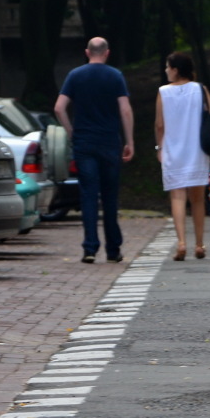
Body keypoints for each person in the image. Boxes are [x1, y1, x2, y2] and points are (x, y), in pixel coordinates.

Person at [55, 37, 135, 263]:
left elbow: (59, 108)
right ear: (107, 53)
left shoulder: (75, 75)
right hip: (109, 142)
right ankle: (113, 249)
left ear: (87, 52)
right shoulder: (115, 76)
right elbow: (125, 110)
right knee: (110, 196)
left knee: (88, 195)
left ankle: (90, 248)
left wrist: (72, 132)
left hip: (84, 143)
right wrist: (129, 141)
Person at [155, 51, 210, 261]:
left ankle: (181, 243)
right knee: (198, 199)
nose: (166, 70)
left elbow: (159, 124)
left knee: (177, 196)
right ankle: (199, 244)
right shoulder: (200, 89)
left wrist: (159, 148)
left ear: (175, 70)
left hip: (173, 151)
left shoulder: (163, 92)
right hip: (198, 151)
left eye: (168, 67)